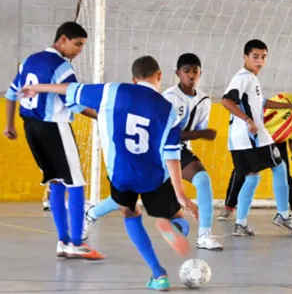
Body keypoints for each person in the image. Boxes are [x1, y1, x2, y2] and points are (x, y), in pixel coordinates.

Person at [22, 55, 199, 290]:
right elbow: (172, 155)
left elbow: (69, 89)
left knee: (129, 211)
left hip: (121, 174)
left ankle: (159, 274)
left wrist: (38, 87)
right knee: (176, 215)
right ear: (159, 76)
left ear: (134, 79)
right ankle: (174, 226)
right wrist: (181, 195)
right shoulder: (168, 109)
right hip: (152, 175)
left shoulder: (111, 91)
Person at [81, 53, 223, 251]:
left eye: (195, 71)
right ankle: (91, 214)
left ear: (201, 74)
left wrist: (200, 134)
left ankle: (204, 235)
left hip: (180, 151)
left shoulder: (204, 101)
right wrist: (199, 133)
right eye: (186, 71)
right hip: (156, 150)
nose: (191, 75)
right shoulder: (168, 98)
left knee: (202, 179)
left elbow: (189, 135)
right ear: (177, 74)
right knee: (127, 197)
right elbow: (164, 134)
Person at [4, 21, 102, 259]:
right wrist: (102, 116)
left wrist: (9, 124)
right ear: (63, 40)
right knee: (76, 183)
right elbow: (75, 104)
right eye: (77, 44)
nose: (79, 50)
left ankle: (63, 241)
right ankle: (77, 242)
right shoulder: (60, 67)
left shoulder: (30, 60)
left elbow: (10, 93)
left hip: (31, 128)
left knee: (56, 181)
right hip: (55, 127)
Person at [221, 39, 292, 236]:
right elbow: (226, 100)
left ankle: (240, 223)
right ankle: (283, 215)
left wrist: (291, 107)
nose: (259, 61)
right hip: (253, 137)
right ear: (245, 57)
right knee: (280, 167)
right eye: (255, 57)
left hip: (237, 140)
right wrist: (248, 120)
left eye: (263, 57)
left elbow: (263, 102)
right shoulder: (243, 77)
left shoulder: (250, 78)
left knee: (251, 178)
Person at [219, 80, 292, 223]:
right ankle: (229, 207)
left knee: (285, 175)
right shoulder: (285, 100)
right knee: (242, 172)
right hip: (260, 139)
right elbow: (259, 110)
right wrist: (249, 128)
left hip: (279, 143)